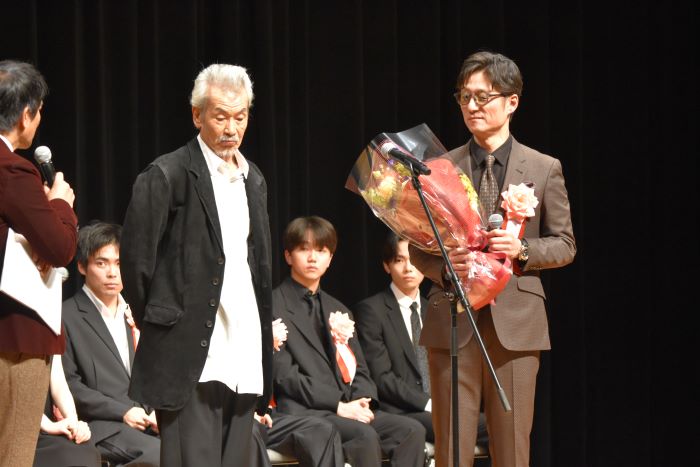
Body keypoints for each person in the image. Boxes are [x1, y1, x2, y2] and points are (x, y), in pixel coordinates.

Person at [409, 51, 576, 467]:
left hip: (515, 324)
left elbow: (564, 244)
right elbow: (416, 246)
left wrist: (522, 250)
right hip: (453, 320)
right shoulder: (438, 168)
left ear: (511, 101)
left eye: (483, 97)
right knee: (451, 450)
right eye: (464, 97)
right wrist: (446, 267)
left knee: (512, 450)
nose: (472, 106)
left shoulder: (543, 167)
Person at [120, 63, 273, 466]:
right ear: (197, 115)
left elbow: (257, 266)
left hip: (243, 352)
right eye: (220, 116)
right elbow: (136, 264)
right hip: (189, 355)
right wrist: (166, 323)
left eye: (240, 117)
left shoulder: (253, 179)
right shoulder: (167, 173)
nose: (231, 128)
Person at [272, 216, 426, 467]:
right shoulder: (273, 306)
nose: (312, 258)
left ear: (330, 258)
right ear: (288, 256)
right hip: (305, 411)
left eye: (321, 250)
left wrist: (362, 400)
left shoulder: (339, 309)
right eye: (303, 249)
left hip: (348, 407)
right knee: (363, 435)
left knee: (410, 431)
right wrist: (338, 405)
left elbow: (361, 370)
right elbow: (285, 376)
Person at [0, 59, 77, 467]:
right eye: (39, 111)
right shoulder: (12, 169)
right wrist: (60, 204)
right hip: (13, 339)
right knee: (12, 456)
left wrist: (27, 238)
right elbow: (61, 247)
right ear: (26, 114)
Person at [353, 232, 489, 450]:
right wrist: (428, 403)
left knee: (495, 425)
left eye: (414, 260)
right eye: (399, 260)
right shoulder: (371, 310)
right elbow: (382, 377)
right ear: (387, 266)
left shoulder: (435, 308)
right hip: (401, 411)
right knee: (454, 426)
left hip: (440, 405)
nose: (408, 268)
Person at [62, 222, 159, 466]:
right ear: (82, 266)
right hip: (104, 426)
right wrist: (122, 412)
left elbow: (158, 371)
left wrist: (159, 411)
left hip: (148, 421)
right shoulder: (66, 316)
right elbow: (70, 385)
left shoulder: (139, 312)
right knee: (162, 454)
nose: (113, 273)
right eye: (102, 263)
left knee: (198, 447)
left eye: (119, 263)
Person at [250, 318, 344, 467]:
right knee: (248, 432)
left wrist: (258, 408)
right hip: (234, 416)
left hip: (262, 414)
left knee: (321, 429)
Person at [33, 355, 101, 467]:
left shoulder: (52, 343)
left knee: (86, 449)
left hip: (46, 429)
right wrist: (49, 426)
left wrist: (73, 423)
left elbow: (58, 383)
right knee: (67, 455)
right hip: (18, 426)